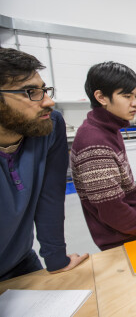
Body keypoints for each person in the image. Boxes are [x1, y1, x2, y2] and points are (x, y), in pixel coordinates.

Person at [0, 48, 88, 281]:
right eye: (30, 92)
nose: (48, 101)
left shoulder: (49, 126)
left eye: (44, 90)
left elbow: (49, 195)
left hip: (19, 260)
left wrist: (56, 258)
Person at [71, 61, 136, 251]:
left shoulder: (109, 128)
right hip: (125, 240)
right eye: (127, 96)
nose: (135, 103)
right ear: (101, 97)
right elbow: (113, 212)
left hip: (134, 232)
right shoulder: (94, 142)